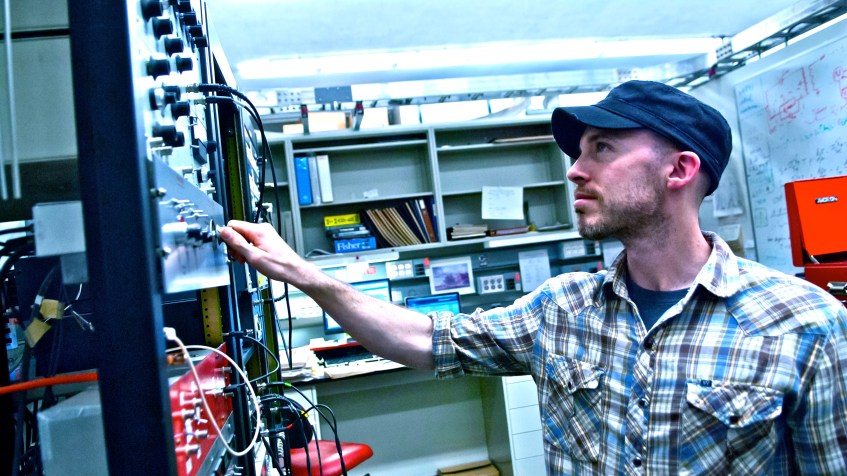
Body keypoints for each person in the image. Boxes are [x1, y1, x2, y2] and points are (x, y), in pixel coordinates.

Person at [220, 80, 847, 475]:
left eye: (602, 147)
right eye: (578, 151)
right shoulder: (560, 308)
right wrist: (301, 272)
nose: (574, 169)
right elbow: (427, 341)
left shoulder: (805, 325)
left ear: (679, 170)